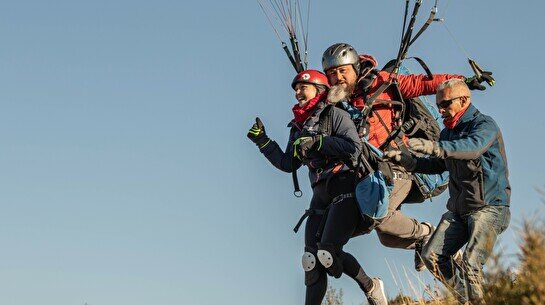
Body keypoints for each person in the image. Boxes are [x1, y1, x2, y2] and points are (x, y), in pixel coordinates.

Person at [320, 42, 488, 271]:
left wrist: (463, 82)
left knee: (381, 217)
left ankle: (428, 235)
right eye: (332, 73)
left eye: (343, 70)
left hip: (400, 165)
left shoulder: (383, 83)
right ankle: (425, 245)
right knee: (387, 237)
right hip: (374, 173)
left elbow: (423, 84)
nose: (338, 77)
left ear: (356, 68)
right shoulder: (337, 105)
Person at [247, 70, 388, 305]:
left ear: (319, 89)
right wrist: (264, 142)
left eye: (303, 87)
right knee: (311, 260)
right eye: (296, 89)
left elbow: (353, 147)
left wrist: (320, 142)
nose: (298, 92)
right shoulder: (298, 127)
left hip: (345, 187)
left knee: (328, 251)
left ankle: (371, 286)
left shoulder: (335, 115)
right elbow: (288, 163)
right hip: (319, 195)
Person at [384, 78, 511, 304]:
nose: (441, 110)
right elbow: (439, 165)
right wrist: (408, 162)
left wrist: (434, 147)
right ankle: (466, 299)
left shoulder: (484, 126)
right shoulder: (447, 134)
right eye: (439, 105)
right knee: (431, 257)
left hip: (489, 208)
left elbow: (471, 148)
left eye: (446, 104)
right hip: (460, 211)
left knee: (471, 265)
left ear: (463, 100)